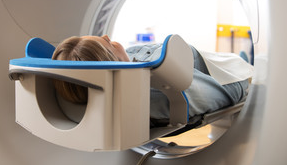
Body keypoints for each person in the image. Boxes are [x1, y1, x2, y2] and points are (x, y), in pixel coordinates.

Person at [52, 34, 253, 126]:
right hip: (214, 70)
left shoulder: (129, 60)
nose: (107, 35)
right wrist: (244, 82)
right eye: (107, 42)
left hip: (201, 59)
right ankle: (242, 61)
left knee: (225, 58)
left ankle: (239, 59)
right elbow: (224, 92)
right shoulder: (156, 92)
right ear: (113, 61)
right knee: (236, 65)